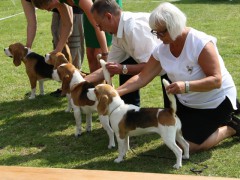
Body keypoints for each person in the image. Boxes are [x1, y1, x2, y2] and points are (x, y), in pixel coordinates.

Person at [116, 2, 240, 153]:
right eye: (156, 33)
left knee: (188, 146)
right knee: (173, 134)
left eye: (162, 33)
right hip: (187, 102)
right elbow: (142, 77)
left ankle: (230, 127)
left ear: (175, 26)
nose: (159, 37)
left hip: (215, 101)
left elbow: (216, 80)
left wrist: (186, 86)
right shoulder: (161, 50)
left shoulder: (200, 43)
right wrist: (117, 92)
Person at [84, 0, 164, 106]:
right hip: (162, 63)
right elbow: (107, 68)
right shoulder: (117, 32)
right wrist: (80, 81)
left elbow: (151, 66)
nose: (101, 29)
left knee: (177, 112)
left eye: (99, 25)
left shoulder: (134, 30)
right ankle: (131, 116)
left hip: (175, 65)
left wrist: (123, 69)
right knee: (127, 102)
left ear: (109, 17)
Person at [31, 0, 109, 64]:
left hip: (105, 6)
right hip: (91, 10)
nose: (49, 10)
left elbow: (97, 26)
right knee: (91, 56)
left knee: (99, 58)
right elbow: (67, 24)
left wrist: (105, 54)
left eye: (48, 8)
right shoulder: (59, 2)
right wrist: (57, 50)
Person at [83, 0, 122, 73]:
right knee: (91, 55)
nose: (100, 28)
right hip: (93, 8)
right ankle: (93, 84)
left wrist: (105, 53)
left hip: (103, 7)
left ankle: (106, 83)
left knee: (99, 55)